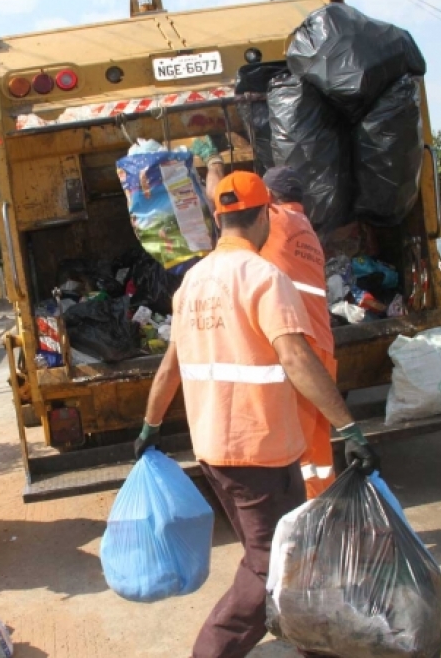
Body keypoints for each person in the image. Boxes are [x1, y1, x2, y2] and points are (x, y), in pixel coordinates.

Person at [135, 171, 379, 658]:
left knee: (287, 552)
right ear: (267, 213)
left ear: (218, 217)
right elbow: (295, 358)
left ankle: (313, 641)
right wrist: (349, 426)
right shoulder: (266, 278)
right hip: (261, 451)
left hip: (215, 452)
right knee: (269, 564)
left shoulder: (192, 283)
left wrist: (151, 426)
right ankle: (214, 651)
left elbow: (169, 368)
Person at [260, 166, 338, 498]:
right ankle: (322, 510)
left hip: (300, 348)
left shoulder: (275, 220)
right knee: (317, 445)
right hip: (320, 345)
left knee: (302, 447)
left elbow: (227, 209)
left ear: (271, 198)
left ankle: (309, 520)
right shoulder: (303, 226)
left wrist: (214, 165)